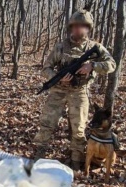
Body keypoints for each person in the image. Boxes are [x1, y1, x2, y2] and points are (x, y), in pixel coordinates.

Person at [34, 9, 116, 170]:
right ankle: (39, 154)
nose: (79, 29)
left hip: (80, 91)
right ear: (71, 27)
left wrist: (93, 65)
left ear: (88, 28)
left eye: (83, 26)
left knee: (79, 128)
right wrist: (57, 76)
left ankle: (76, 161)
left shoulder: (95, 48)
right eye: (75, 26)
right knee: (47, 123)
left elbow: (112, 64)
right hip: (58, 90)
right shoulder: (61, 47)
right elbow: (46, 68)